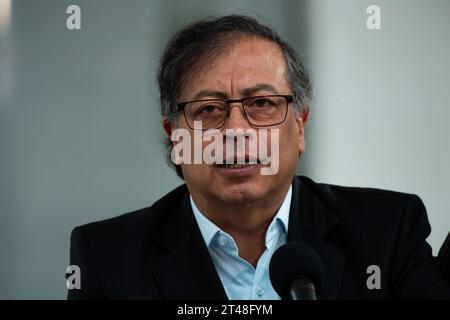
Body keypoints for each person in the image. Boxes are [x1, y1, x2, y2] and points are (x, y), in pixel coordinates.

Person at [67, 14, 450, 299]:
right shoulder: (107, 257)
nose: (235, 130)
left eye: (262, 103)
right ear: (175, 136)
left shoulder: (387, 231)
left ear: (300, 126)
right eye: (209, 110)